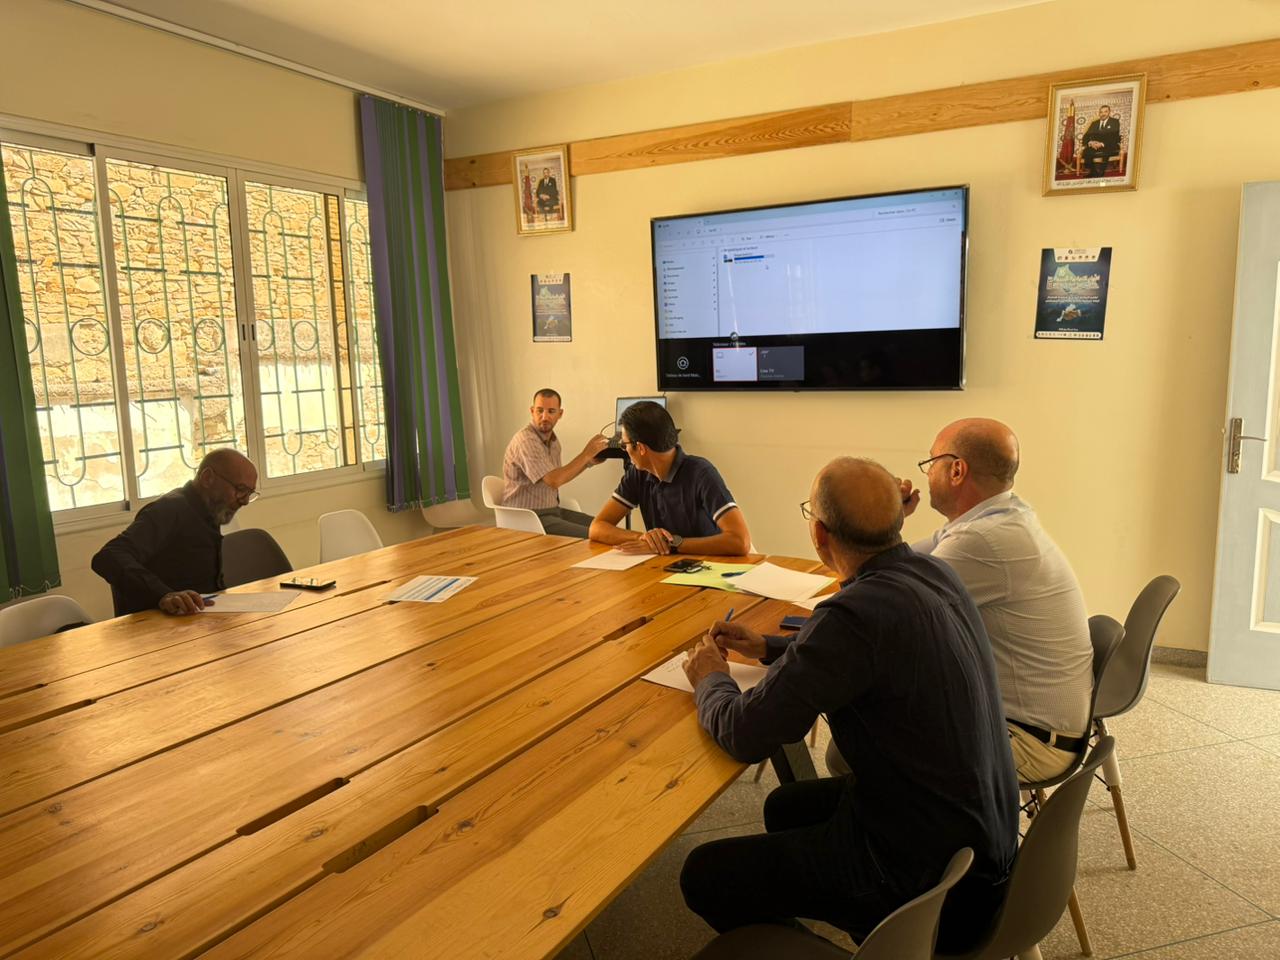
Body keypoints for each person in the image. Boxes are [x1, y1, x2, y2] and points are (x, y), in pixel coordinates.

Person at [678, 457, 1017, 951]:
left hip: (935, 885)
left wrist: (710, 677)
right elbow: (862, 652)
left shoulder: (854, 615)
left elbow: (744, 735)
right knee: (786, 806)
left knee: (704, 873)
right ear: (898, 520)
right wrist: (769, 646)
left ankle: (827, 948)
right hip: (981, 847)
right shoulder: (934, 573)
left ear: (819, 534)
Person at [901, 418, 1093, 782]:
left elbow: (888, 606)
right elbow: (901, 567)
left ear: (956, 470)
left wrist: (872, 522)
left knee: (865, 738)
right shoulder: (1001, 515)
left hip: (1028, 741)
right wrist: (888, 522)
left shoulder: (983, 539)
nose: (926, 474)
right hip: (1036, 724)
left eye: (930, 463)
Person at [91, 448, 258, 616]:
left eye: (249, 493)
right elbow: (109, 556)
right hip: (158, 623)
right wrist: (164, 594)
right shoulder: (169, 510)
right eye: (240, 489)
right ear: (208, 478)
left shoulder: (210, 510)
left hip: (201, 617)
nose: (244, 501)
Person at [589, 401, 750, 555]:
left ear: (641, 448)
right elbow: (597, 528)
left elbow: (740, 541)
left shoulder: (701, 473)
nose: (625, 450)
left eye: (625, 445)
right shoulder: (637, 474)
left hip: (710, 566)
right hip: (666, 565)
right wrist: (646, 538)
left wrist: (673, 544)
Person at [501, 388, 608, 538]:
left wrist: (588, 462)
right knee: (599, 535)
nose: (544, 416)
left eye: (551, 411)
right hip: (529, 517)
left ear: (560, 414)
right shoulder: (526, 440)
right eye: (540, 410)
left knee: (606, 526)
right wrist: (585, 454)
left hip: (552, 511)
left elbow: (560, 477)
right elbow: (554, 480)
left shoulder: (553, 442)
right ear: (532, 411)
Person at [1081, 104, 1121, 178]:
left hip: (1109, 145)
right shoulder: (1094, 123)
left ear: (1109, 112)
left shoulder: (1115, 122)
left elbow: (1114, 137)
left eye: (1105, 111)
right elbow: (1086, 136)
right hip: (1095, 145)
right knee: (1086, 152)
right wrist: (1091, 143)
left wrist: (1102, 144)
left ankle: (1099, 173)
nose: (1103, 114)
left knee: (1105, 152)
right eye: (1101, 112)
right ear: (1099, 113)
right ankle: (1093, 172)